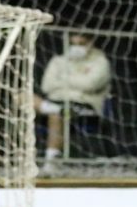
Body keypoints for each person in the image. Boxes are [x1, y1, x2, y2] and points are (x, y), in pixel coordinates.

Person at [35, 32, 113, 175]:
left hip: (83, 105)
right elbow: (46, 86)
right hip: (54, 101)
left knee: (55, 114)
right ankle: (55, 109)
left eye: (81, 44)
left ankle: (50, 163)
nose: (76, 48)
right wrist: (76, 81)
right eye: (73, 44)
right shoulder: (58, 61)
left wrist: (62, 80)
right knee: (20, 96)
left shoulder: (100, 62)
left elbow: (90, 84)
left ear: (90, 44)